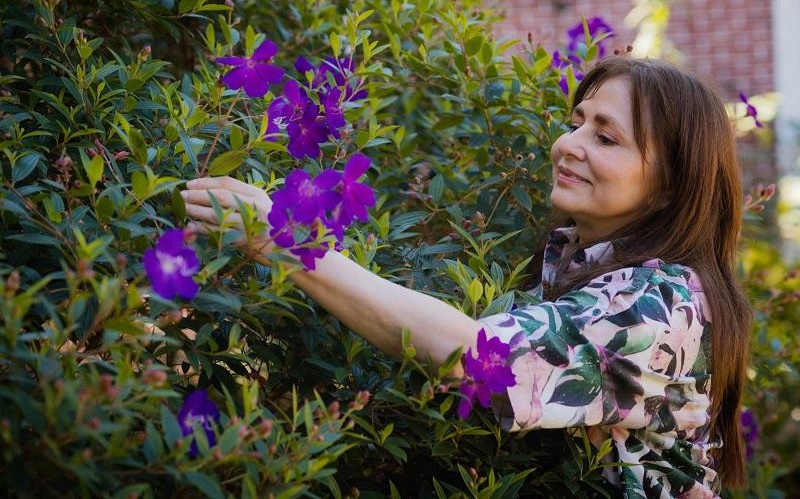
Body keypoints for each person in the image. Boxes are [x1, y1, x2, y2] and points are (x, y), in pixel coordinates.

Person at [180, 57, 751, 497]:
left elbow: (472, 355)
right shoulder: (578, 261)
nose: (566, 146)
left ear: (673, 184)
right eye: (575, 122)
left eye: (604, 137)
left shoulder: (662, 307)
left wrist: (284, 238)